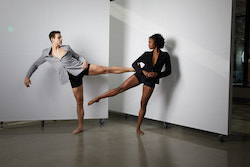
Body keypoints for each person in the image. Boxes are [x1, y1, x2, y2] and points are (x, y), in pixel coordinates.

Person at [24, 31, 134, 135]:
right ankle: (80, 126)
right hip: (73, 77)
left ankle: (131, 69)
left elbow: (78, 56)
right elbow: (35, 64)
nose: (61, 39)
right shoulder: (46, 54)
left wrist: (84, 61)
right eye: (59, 37)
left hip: (81, 68)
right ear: (52, 39)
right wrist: (27, 77)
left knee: (106, 69)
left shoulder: (66, 48)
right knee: (79, 102)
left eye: (61, 37)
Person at [88, 33, 171, 135]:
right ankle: (98, 98)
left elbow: (168, 71)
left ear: (156, 42)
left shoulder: (165, 56)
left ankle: (138, 128)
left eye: (150, 42)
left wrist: (157, 74)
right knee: (120, 88)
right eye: (148, 42)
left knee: (143, 104)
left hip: (151, 80)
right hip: (140, 75)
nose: (148, 44)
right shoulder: (146, 54)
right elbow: (134, 64)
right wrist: (142, 71)